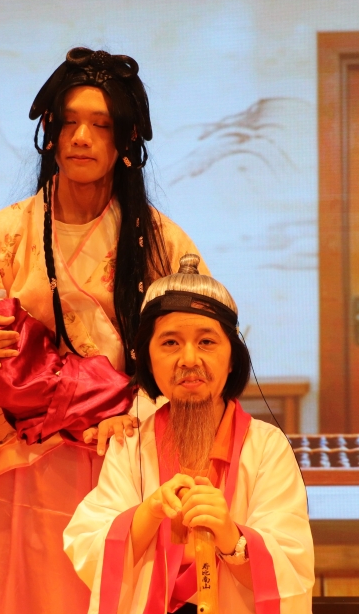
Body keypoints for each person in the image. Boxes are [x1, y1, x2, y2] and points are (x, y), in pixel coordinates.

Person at [0, 47, 209, 613]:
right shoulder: (7, 233)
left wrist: (136, 409)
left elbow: (200, 346)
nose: (81, 137)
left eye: (101, 125)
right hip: (28, 464)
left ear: (127, 140)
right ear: (50, 134)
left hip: (127, 455)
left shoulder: (160, 242)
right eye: (69, 123)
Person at [64, 254, 314, 614]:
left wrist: (229, 535)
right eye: (170, 343)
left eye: (207, 342)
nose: (189, 359)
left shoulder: (266, 447)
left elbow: (291, 561)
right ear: (147, 359)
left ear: (233, 358)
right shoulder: (131, 444)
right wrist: (149, 512)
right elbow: (88, 546)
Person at [0, 248, 133, 444]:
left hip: (7, 391)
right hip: (27, 378)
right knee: (97, 377)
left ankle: (74, 421)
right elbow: (32, 332)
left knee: (55, 401)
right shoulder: (1, 311)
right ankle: (104, 408)